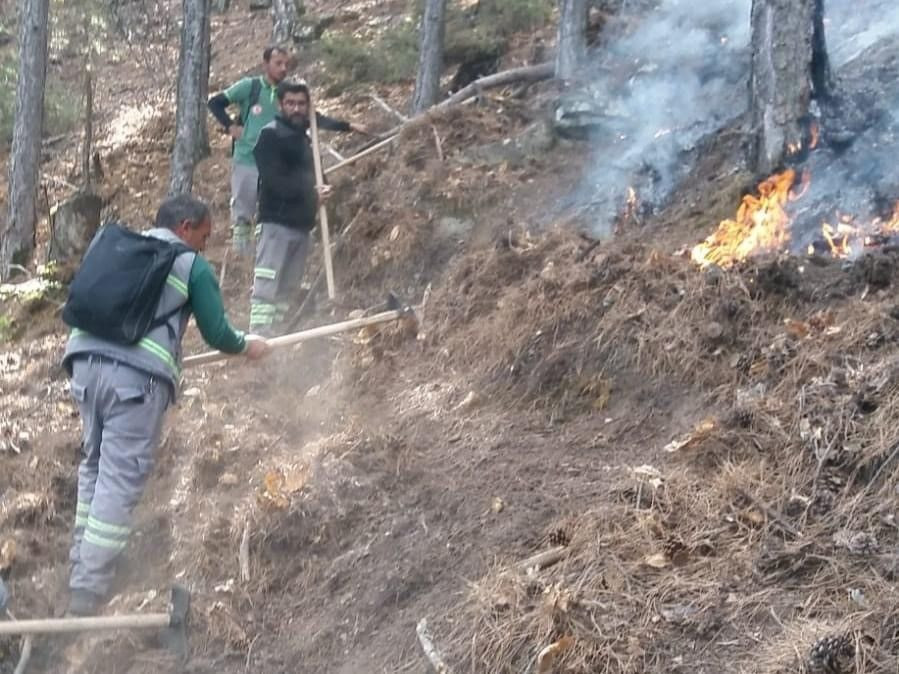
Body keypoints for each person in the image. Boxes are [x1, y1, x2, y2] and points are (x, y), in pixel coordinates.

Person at [61, 194, 270, 616]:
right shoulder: (189, 265)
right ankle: (87, 591)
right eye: (205, 236)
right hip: (133, 383)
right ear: (185, 226)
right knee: (119, 477)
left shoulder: (119, 247)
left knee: (94, 465)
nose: (205, 246)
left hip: (82, 364)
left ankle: (80, 564)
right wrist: (248, 346)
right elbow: (218, 333)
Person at [207, 46, 368, 256]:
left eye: (286, 64)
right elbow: (216, 102)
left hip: (277, 163)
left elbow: (314, 118)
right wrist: (230, 126)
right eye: (278, 64)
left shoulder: (288, 95)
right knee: (243, 213)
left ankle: (265, 254)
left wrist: (347, 126)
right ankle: (242, 258)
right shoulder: (250, 87)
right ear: (266, 65)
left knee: (270, 211)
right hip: (248, 159)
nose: (283, 68)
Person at [249, 80, 336, 336]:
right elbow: (275, 180)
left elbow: (315, 174)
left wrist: (325, 188)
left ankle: (276, 332)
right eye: (291, 103)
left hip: (301, 225)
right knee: (269, 280)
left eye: (301, 104)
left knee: (289, 285)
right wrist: (311, 195)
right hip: (277, 223)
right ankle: (259, 334)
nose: (296, 109)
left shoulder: (306, 139)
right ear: (280, 104)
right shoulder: (270, 135)